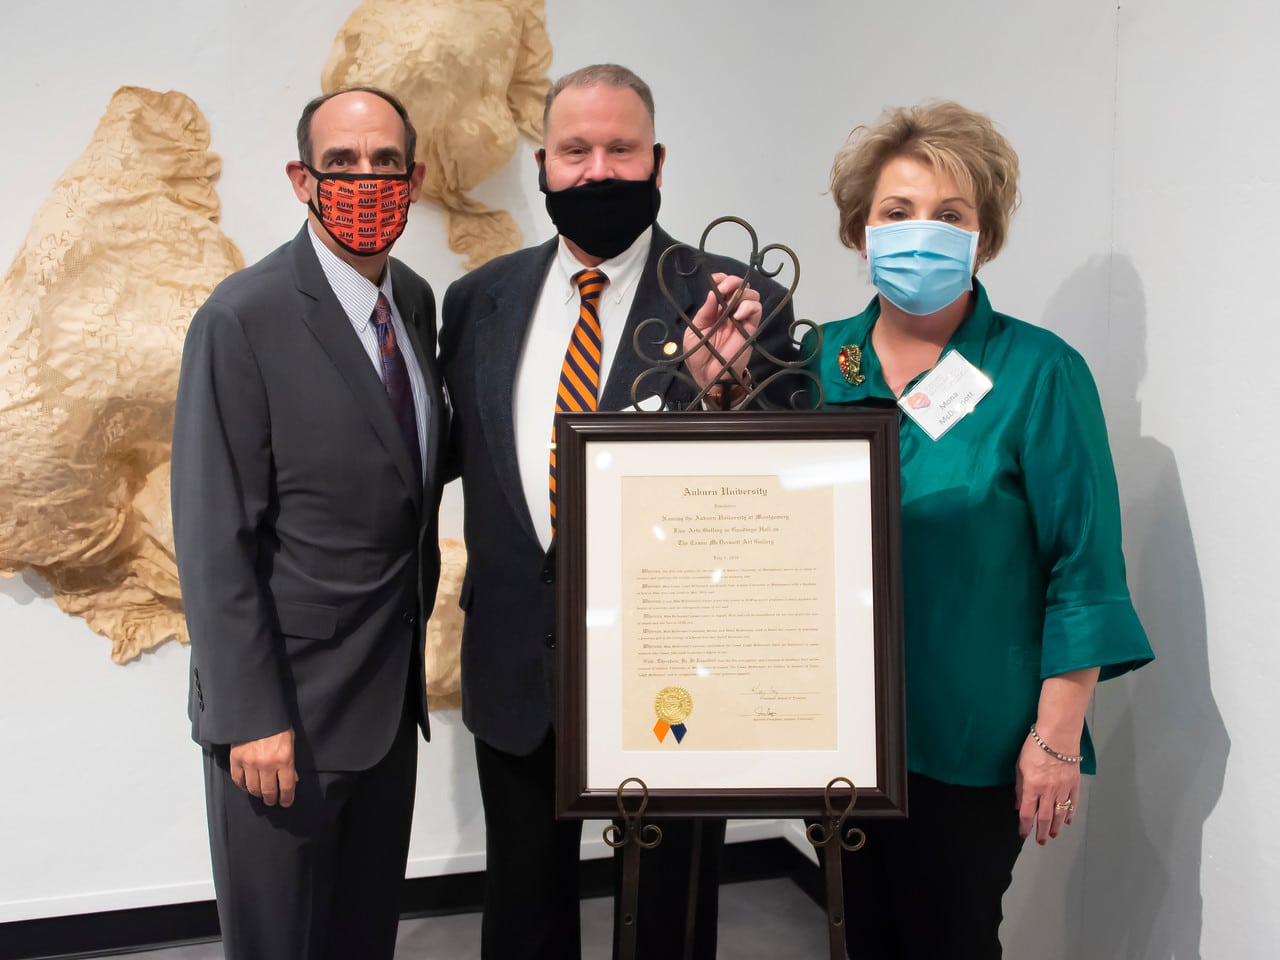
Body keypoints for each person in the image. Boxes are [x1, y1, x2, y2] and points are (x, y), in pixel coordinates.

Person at [439, 63, 793, 960]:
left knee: (668, 912)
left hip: (671, 664)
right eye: (575, 150)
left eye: (620, 148)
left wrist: (727, 392)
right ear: (544, 164)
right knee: (522, 907)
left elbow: (777, 486)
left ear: (658, 160)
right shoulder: (478, 300)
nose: (598, 170)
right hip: (515, 654)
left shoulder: (736, 298)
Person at [808, 101, 1155, 958]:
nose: (920, 232)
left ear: (983, 237)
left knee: (950, 938)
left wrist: (1056, 737)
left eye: (950, 215)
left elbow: (1084, 568)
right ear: (860, 231)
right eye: (897, 212)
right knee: (859, 936)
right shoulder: (817, 361)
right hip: (837, 735)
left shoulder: (1039, 373)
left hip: (972, 742)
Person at [171, 87, 447, 959]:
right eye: (341, 164)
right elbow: (216, 536)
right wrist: (250, 715)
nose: (366, 180)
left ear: (415, 177)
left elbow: (409, 467)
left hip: (386, 707)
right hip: (281, 718)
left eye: (384, 164)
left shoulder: (416, 302)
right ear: (303, 179)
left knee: (362, 940)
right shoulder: (240, 319)